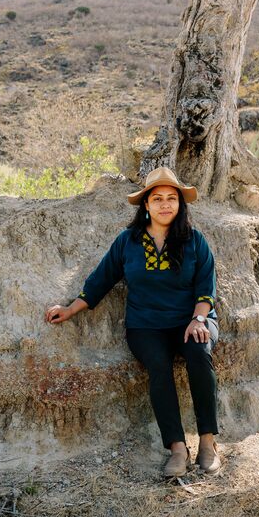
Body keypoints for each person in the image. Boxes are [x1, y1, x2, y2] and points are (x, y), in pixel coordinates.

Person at [44, 166, 221, 478]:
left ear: (180, 204)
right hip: (146, 325)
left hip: (193, 319)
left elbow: (206, 287)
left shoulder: (195, 240)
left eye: (172, 198)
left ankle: (208, 442)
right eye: (158, 199)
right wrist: (71, 309)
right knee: (158, 365)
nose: (166, 204)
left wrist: (198, 319)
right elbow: (101, 279)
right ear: (146, 205)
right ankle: (177, 448)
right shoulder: (128, 241)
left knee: (198, 352)